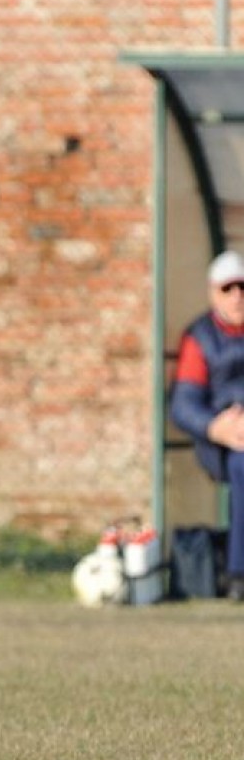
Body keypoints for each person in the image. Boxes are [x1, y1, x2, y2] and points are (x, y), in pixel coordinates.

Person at [170, 248, 244, 600]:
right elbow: (184, 404)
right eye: (228, 289)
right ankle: (238, 572)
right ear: (213, 292)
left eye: (243, 287)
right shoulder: (199, 338)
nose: (237, 296)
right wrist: (216, 427)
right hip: (221, 443)